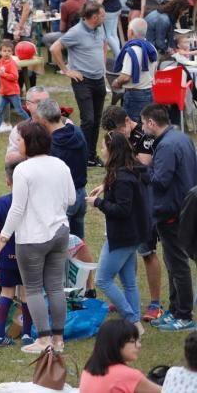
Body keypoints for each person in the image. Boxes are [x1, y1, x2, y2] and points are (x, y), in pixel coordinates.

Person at [0, 121, 75, 354]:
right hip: (59, 232)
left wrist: (2, 238)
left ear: (30, 142)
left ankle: (44, 339)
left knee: (34, 288)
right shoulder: (61, 165)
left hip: (33, 238)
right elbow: (71, 199)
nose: (17, 143)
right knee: (55, 287)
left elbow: (17, 209)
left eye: (20, 139)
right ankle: (58, 340)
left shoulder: (23, 170)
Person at [86, 132, 151, 333]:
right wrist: (104, 186)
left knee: (102, 280)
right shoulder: (129, 170)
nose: (101, 150)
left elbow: (122, 210)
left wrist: (98, 202)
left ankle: (133, 321)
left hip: (122, 237)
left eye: (104, 147)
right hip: (134, 234)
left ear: (113, 150)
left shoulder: (122, 178)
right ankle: (133, 321)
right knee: (129, 282)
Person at [141, 104, 197, 332]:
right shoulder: (181, 138)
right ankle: (175, 310)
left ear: (152, 122)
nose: (143, 127)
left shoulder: (165, 146)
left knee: (177, 265)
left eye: (143, 123)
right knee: (173, 262)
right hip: (182, 207)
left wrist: (143, 170)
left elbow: (161, 180)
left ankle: (183, 314)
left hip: (172, 212)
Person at [50, 2, 107, 166]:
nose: (105, 17)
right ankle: (80, 155)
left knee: (96, 120)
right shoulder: (76, 32)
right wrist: (67, 70)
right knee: (88, 120)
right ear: (94, 17)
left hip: (99, 80)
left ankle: (90, 156)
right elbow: (55, 48)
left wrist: (101, 65)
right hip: (83, 81)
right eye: (102, 15)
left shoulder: (99, 28)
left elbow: (103, 45)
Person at [0, 160, 35, 347]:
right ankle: (27, 335)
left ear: (8, 181)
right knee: (26, 294)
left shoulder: (1, 202)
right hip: (27, 253)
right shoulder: (32, 203)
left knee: (6, 292)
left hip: (7, 253)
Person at [36, 99, 90, 241]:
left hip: (63, 199)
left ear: (43, 121)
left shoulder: (52, 146)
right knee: (78, 244)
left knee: (59, 247)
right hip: (81, 194)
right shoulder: (77, 132)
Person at [79, 319, 161, 393]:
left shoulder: (89, 368)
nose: (139, 345)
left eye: (138, 341)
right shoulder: (126, 374)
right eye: (133, 341)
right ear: (115, 344)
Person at [113, 19, 157, 124]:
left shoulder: (132, 50)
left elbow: (125, 77)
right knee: (147, 125)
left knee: (132, 126)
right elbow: (154, 71)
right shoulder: (151, 48)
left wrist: (117, 82)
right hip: (149, 91)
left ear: (131, 32)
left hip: (135, 94)